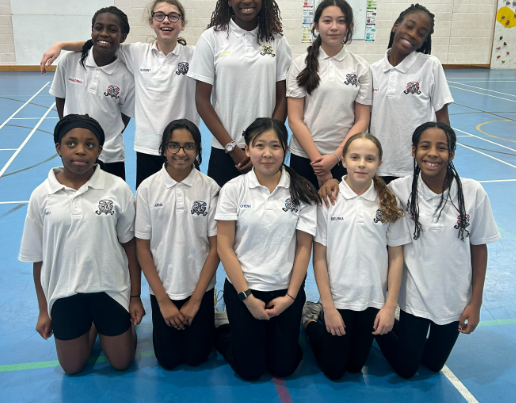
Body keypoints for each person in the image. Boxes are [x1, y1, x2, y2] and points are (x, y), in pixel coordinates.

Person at [320, 123, 501, 379]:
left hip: (454, 297)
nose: (433, 153)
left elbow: (479, 247)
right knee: (406, 369)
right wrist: (333, 183)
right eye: (425, 146)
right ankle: (376, 325)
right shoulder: (399, 190)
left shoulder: (473, 192)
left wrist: (476, 302)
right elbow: (363, 184)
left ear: (452, 153)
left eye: (442, 147)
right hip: (413, 298)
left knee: (433, 364)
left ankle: (380, 325)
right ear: (414, 151)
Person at [19, 114, 145, 374]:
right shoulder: (41, 195)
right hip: (65, 292)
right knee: (72, 367)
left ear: (99, 150)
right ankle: (92, 325)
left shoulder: (117, 188)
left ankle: (107, 325)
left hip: (110, 289)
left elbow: (130, 248)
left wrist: (134, 297)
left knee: (121, 363)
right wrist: (44, 310)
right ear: (58, 148)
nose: (80, 150)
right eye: (71, 143)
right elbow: (37, 258)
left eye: (89, 145)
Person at [40, 0, 198, 187]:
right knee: (148, 199)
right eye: (159, 15)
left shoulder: (195, 55)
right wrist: (61, 45)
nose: (166, 20)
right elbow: (100, 43)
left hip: (184, 144)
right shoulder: (137, 52)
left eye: (173, 16)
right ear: (151, 22)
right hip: (148, 145)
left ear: (183, 24)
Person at [214, 118, 318, 381]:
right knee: (250, 370)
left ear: (286, 148)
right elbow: (224, 247)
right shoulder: (233, 189)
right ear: (247, 149)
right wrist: (247, 298)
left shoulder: (302, 190)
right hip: (244, 289)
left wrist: (290, 298)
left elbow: (304, 248)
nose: (268, 153)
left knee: (284, 367)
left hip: (286, 290)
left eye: (275, 146)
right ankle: (223, 326)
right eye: (259, 145)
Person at [302, 133, 410, 380]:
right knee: (334, 370)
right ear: (343, 161)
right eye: (355, 157)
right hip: (338, 299)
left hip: (372, 300)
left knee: (354, 366)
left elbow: (396, 257)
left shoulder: (388, 201)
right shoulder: (328, 199)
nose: (362, 164)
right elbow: (319, 258)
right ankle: (310, 321)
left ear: (379, 163)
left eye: (369, 159)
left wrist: (389, 306)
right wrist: (328, 307)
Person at [188, 0, 292, 187]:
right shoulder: (211, 38)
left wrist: (267, 144)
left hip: (265, 153)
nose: (246, 0)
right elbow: (202, 100)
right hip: (225, 149)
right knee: (224, 208)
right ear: (229, 0)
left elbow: (283, 98)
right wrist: (231, 147)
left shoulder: (277, 41)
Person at [135, 119, 220, 370]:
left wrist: (195, 301)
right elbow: (142, 248)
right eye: (173, 145)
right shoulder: (147, 188)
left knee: (197, 357)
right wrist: (162, 301)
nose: (181, 152)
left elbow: (216, 248)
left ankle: (221, 320)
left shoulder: (210, 188)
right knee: (168, 360)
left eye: (189, 146)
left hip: (200, 290)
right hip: (163, 290)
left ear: (198, 150)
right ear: (163, 148)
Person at [287, 0, 372, 189]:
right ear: (316, 25)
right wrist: (319, 164)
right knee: (306, 207)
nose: (334, 27)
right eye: (327, 21)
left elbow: (362, 120)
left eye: (341, 21)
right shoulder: (299, 65)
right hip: (305, 156)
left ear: (350, 26)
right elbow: (294, 119)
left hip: (345, 158)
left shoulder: (361, 67)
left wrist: (335, 157)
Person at [369, 4, 453, 184]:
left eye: (421, 34)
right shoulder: (372, 71)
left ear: (424, 41)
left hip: (417, 166)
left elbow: (442, 118)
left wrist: (445, 161)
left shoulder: (430, 65)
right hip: (379, 164)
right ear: (396, 26)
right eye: (409, 26)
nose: (413, 34)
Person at [48, 6, 135, 180]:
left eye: (112, 30)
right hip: (75, 152)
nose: (104, 33)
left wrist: (107, 137)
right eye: (98, 28)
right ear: (92, 31)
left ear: (123, 37)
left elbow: (125, 116)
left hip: (110, 154)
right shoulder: (69, 61)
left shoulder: (127, 75)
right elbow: (61, 98)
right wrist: (69, 131)